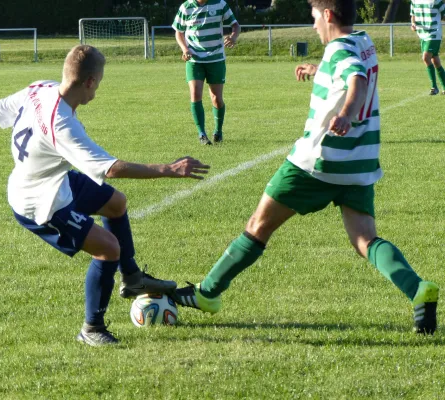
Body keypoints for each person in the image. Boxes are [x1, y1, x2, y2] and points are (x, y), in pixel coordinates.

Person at [172, 0, 439, 335]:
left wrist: (347, 112)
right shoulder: (364, 40)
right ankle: (417, 289)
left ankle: (207, 294)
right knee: (365, 239)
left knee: (258, 225)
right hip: (360, 161)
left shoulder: (343, 51)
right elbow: (350, 67)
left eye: (314, 18)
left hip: (318, 161)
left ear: (328, 15)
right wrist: (319, 69)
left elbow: (355, 78)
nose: (313, 25)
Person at [0, 45, 210, 346]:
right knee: (108, 248)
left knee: (116, 203)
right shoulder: (62, 125)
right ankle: (92, 328)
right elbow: (112, 168)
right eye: (101, 81)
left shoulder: (40, 88)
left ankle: (132, 278)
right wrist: (169, 169)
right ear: (91, 82)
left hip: (52, 179)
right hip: (39, 202)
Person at [172, 0, 240, 145]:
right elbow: (179, 31)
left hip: (216, 58)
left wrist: (233, 37)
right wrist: (185, 49)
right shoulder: (186, 7)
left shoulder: (220, 4)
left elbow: (235, 24)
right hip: (194, 59)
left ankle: (218, 131)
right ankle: (202, 134)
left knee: (216, 98)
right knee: (195, 94)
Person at [410, 0, 445, 95]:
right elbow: (413, 14)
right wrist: (413, 24)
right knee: (435, 61)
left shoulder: (436, 1)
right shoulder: (414, 1)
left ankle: (434, 87)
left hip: (434, 33)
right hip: (422, 34)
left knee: (425, 57)